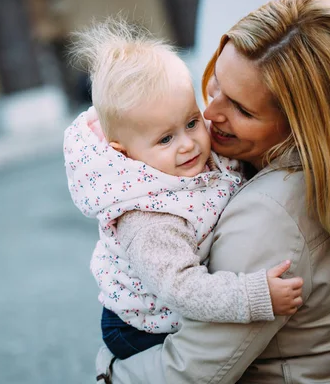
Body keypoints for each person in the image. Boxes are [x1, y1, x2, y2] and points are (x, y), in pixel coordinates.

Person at [95, 0, 330, 383]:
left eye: (241, 108)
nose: (210, 113)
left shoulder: (270, 216)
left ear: (302, 127)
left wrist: (110, 370)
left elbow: (190, 373)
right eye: (215, 84)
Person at [63, 18, 304, 361]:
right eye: (165, 138)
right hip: (142, 327)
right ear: (124, 152)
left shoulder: (191, 156)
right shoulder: (148, 218)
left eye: (191, 122)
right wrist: (254, 297)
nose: (189, 144)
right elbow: (182, 288)